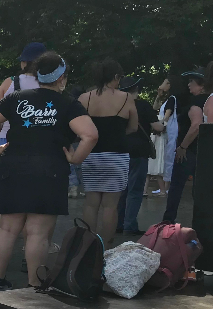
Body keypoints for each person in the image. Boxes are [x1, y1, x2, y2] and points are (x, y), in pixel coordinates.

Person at [0, 52, 98, 291]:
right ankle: (34, 285)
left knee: (7, 228)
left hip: (14, 166)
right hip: (49, 169)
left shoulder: (16, 98)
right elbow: (90, 135)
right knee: (38, 233)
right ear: (61, 78)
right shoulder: (68, 104)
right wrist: (75, 158)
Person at [78, 58, 138, 246]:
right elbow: (133, 127)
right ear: (115, 76)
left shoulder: (84, 98)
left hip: (90, 154)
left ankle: (87, 245)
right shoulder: (126, 98)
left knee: (91, 203)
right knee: (110, 206)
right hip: (117, 156)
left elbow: (77, 128)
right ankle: (104, 247)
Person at [163, 65, 210, 223]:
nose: (188, 84)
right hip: (205, 151)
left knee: (176, 187)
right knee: (201, 190)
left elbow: (196, 125)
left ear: (201, 85)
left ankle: (168, 221)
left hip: (189, 151)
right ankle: (201, 223)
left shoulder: (196, 102)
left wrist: (183, 146)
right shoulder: (210, 101)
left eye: (192, 81)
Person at [116, 77, 162, 235]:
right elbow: (157, 126)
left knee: (122, 190)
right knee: (135, 190)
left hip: (121, 150)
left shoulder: (118, 106)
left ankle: (118, 223)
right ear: (136, 89)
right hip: (139, 151)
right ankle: (130, 225)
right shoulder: (143, 105)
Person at [0, 42, 46, 173]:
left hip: (7, 139)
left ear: (24, 62)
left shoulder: (9, 82)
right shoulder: (49, 84)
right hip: (40, 141)